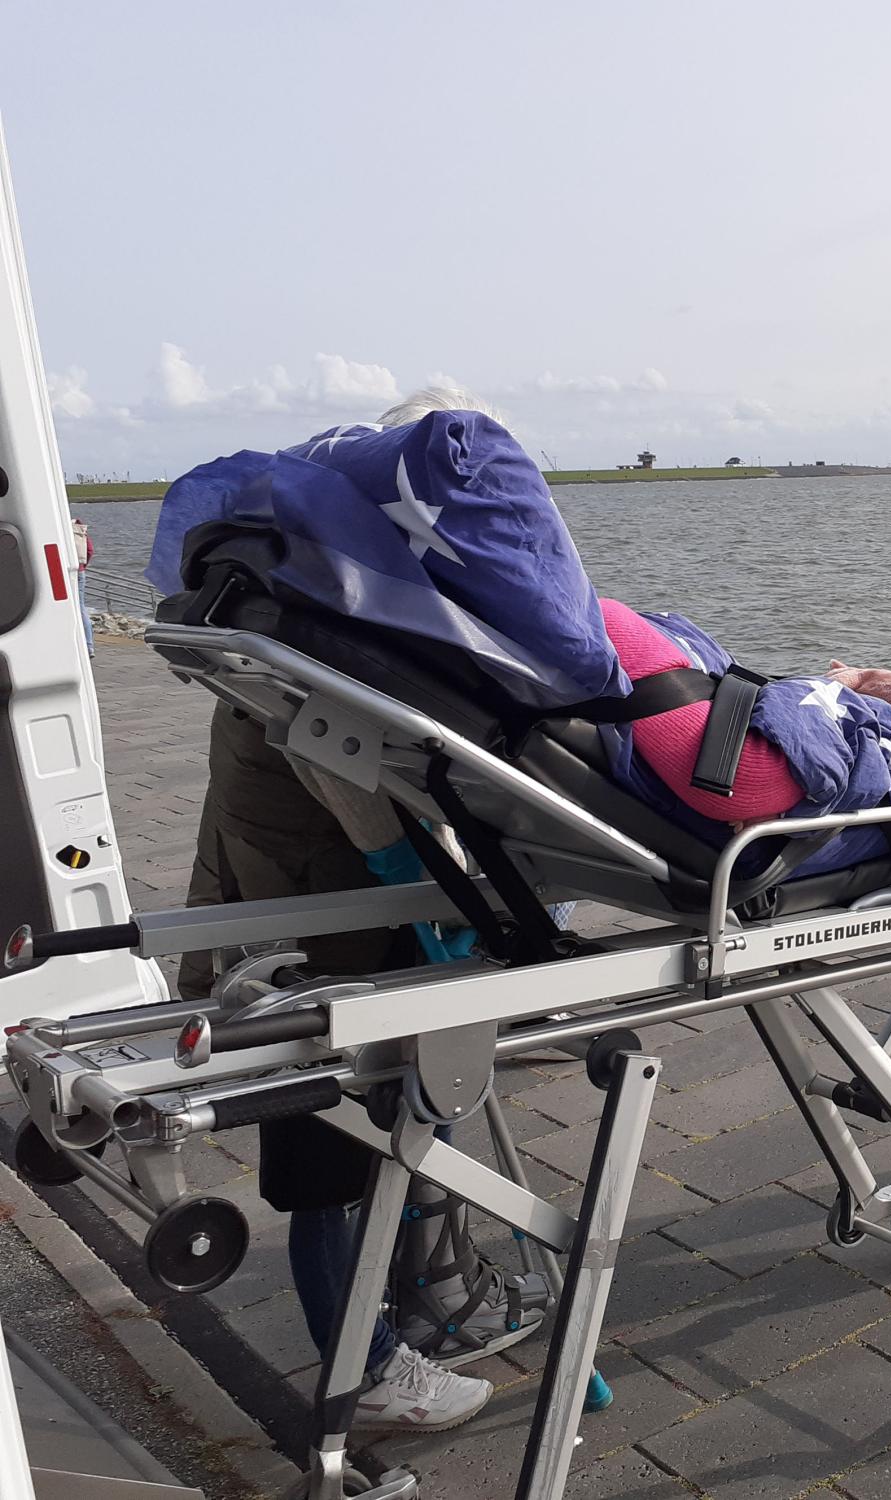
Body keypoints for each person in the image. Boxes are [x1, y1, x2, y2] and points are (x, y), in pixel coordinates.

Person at [177, 387, 546, 1432]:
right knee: (331, 1152)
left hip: (281, 887)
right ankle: (370, 1375)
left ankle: (415, 1305)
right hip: (311, 916)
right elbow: (352, 785)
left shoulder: (291, 585)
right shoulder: (326, 620)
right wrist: (445, 893)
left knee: (376, 1128)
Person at [70, 515, 94, 655]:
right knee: (81, 606)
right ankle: (89, 645)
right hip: (81, 571)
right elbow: (90, 550)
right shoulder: (79, 529)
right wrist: (83, 566)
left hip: (68, 572)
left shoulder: (61, 528)